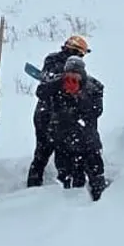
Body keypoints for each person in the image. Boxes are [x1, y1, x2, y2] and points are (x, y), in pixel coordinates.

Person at [37, 56, 106, 201]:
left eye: (75, 75)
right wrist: (58, 84)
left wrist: (78, 96)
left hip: (88, 143)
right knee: (66, 180)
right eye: (68, 74)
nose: (71, 78)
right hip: (63, 143)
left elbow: (96, 111)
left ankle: (100, 206)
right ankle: (70, 213)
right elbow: (41, 92)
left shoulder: (93, 87)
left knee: (96, 177)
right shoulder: (58, 84)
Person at [27, 34, 90, 187]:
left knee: (48, 151)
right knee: (46, 150)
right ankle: (35, 186)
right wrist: (62, 79)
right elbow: (46, 84)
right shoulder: (54, 62)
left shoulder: (71, 67)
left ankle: (44, 182)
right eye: (81, 54)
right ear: (75, 51)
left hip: (57, 113)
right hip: (47, 113)